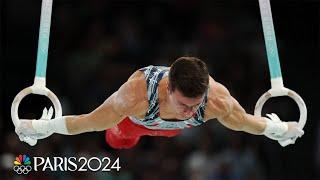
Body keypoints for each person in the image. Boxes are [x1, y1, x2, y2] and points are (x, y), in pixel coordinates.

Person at [15, 57, 304, 149]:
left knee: (180, 126)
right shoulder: (136, 95)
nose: (191, 111)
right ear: (168, 89)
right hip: (131, 126)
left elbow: (247, 123)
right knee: (118, 140)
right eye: (184, 104)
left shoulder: (216, 101)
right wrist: (43, 126)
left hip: (174, 131)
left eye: (195, 105)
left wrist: (279, 130)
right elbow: (87, 122)